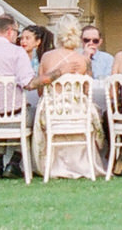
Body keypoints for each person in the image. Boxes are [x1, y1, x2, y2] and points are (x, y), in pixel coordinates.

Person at [0, 15, 59, 178]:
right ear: (10, 31)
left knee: (6, 115)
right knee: (35, 114)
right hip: (16, 116)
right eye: (17, 32)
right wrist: (54, 74)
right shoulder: (17, 53)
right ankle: (14, 162)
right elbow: (29, 84)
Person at [35, 19, 99, 180]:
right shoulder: (83, 60)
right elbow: (87, 90)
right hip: (77, 113)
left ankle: (51, 164)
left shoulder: (46, 57)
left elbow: (40, 90)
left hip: (54, 112)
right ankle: (84, 163)